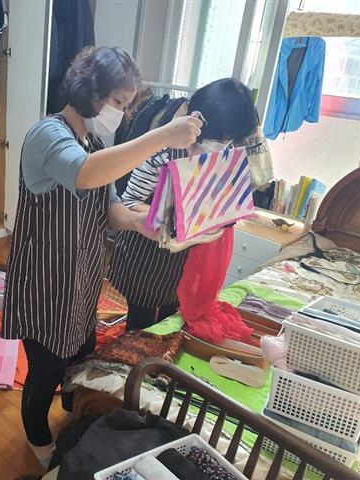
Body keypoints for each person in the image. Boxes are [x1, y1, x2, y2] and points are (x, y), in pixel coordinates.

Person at [0, 46, 202, 468]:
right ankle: (39, 442)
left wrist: (143, 223)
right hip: (44, 279)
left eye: (126, 106)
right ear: (90, 90)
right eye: (117, 102)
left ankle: (75, 422)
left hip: (81, 277)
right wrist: (163, 136)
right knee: (45, 369)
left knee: (80, 353)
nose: (120, 114)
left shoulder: (90, 141)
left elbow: (110, 207)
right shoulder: (47, 135)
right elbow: (84, 173)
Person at [108, 78, 259, 331]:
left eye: (229, 140)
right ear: (200, 121)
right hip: (146, 254)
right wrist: (169, 215)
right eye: (220, 138)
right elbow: (130, 201)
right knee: (141, 324)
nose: (223, 145)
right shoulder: (163, 151)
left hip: (185, 258)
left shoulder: (223, 157)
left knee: (173, 316)